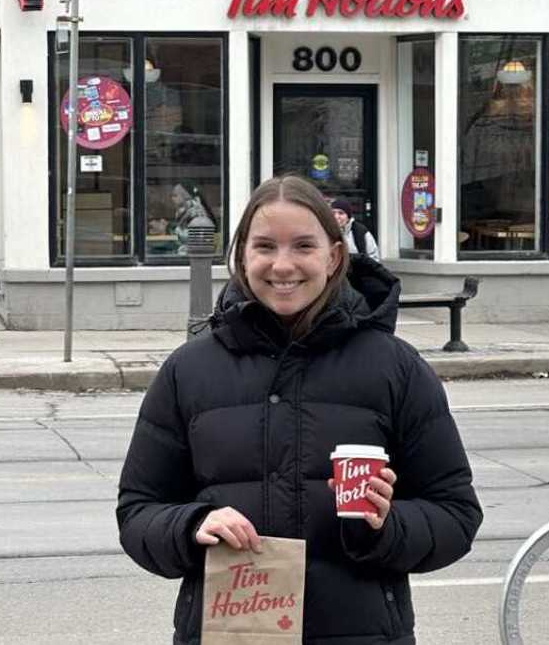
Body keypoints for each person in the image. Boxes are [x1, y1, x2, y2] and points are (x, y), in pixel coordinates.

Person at [116, 175, 482, 644]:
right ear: (242, 256)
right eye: (265, 246)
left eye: (303, 246)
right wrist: (191, 525)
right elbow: (138, 513)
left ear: (333, 257)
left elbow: (456, 514)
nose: (283, 265)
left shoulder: (396, 367)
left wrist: (385, 525)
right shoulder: (189, 370)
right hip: (229, 633)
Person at [169, 181, 215, 255]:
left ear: (185, 195)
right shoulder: (182, 210)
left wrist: (175, 231)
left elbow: (198, 237)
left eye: (175, 195)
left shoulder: (196, 211)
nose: (171, 198)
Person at [330, 198, 381, 262]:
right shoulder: (326, 232)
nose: (336, 216)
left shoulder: (360, 232)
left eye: (341, 213)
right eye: (333, 213)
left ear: (348, 216)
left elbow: (373, 257)